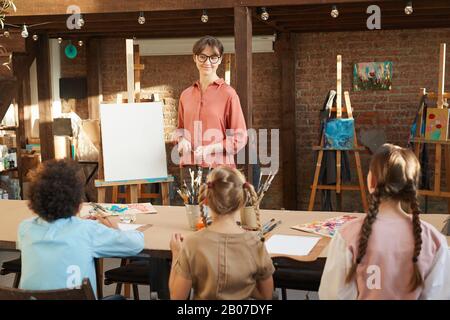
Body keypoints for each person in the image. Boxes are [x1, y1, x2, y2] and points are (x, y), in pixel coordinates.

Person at [319, 144, 450, 299]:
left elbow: (333, 295)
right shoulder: (435, 241)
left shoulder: (347, 235)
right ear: (411, 186)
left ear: (372, 181)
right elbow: (439, 295)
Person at [17, 159, 144, 296]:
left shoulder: (25, 229)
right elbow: (136, 243)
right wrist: (111, 227)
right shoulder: (88, 230)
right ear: (78, 203)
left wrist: (77, 223)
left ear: (34, 200)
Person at [168, 166, 274, 300]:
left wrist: (177, 253)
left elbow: (176, 297)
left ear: (205, 200)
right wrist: (244, 281)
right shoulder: (256, 242)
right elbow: (266, 296)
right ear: (243, 201)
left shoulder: (192, 244)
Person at [174, 35, 247, 170]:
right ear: (195, 58)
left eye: (213, 57)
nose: (207, 62)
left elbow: (240, 137)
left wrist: (210, 149)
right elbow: (180, 129)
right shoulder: (186, 95)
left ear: (220, 60)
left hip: (219, 170)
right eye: (202, 56)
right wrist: (181, 140)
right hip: (190, 167)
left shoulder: (229, 94)